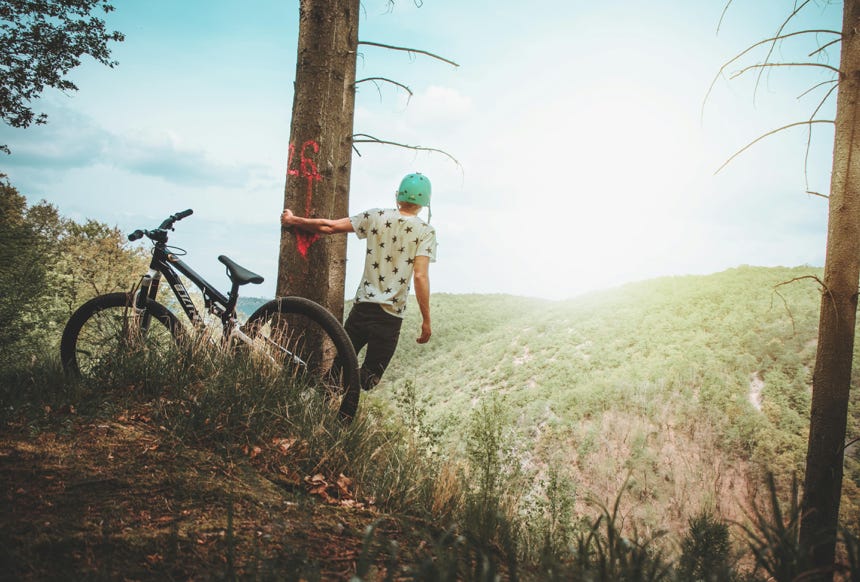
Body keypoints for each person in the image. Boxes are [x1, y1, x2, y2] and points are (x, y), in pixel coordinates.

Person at [280, 172, 437, 391]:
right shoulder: (426, 231)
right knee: (369, 379)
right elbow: (420, 276)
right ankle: (335, 413)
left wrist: (293, 220)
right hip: (390, 317)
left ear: (398, 196)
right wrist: (426, 320)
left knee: (338, 372)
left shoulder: (376, 216)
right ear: (425, 204)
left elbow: (329, 227)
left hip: (362, 308)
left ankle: (316, 405)